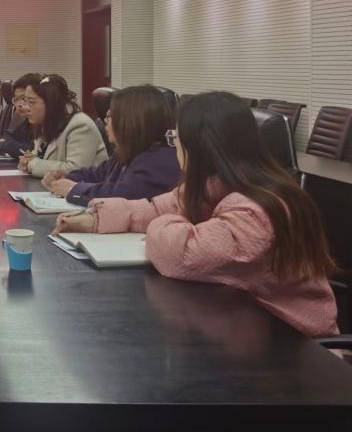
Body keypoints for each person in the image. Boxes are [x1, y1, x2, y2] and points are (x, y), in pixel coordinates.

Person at [54, 92, 338, 337]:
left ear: (199, 146)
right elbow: (155, 207)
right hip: (247, 333)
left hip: (297, 352)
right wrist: (96, 219)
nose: (173, 145)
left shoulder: (257, 212)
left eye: (176, 138)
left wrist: (170, 222)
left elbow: (183, 254)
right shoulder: (215, 185)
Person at [42, 85, 180, 206]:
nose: (105, 121)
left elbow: (120, 196)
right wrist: (65, 177)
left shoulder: (159, 161)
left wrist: (72, 189)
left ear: (130, 122)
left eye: (110, 116)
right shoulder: (129, 152)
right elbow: (96, 174)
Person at [18, 74, 107, 177]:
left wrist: (32, 164)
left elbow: (75, 170)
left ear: (51, 103)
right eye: (26, 102)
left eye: (31, 102)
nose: (26, 108)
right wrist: (27, 160)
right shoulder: (47, 124)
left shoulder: (80, 125)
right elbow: (40, 158)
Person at [0, 73, 41, 157]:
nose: (19, 105)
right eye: (16, 99)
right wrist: (7, 144)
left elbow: (33, 151)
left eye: (24, 98)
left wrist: (5, 145)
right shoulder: (24, 119)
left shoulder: (43, 122)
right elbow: (8, 136)